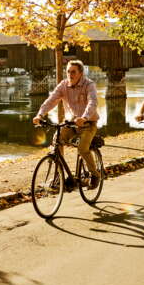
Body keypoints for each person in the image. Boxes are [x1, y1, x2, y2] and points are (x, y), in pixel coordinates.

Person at [32, 60, 101, 189]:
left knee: (82, 148)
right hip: (71, 122)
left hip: (88, 123)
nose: (70, 74)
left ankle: (95, 174)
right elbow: (51, 100)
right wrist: (40, 114)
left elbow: (93, 102)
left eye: (73, 72)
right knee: (56, 141)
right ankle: (60, 176)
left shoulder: (89, 84)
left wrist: (85, 117)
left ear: (81, 73)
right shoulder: (63, 85)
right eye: (68, 71)